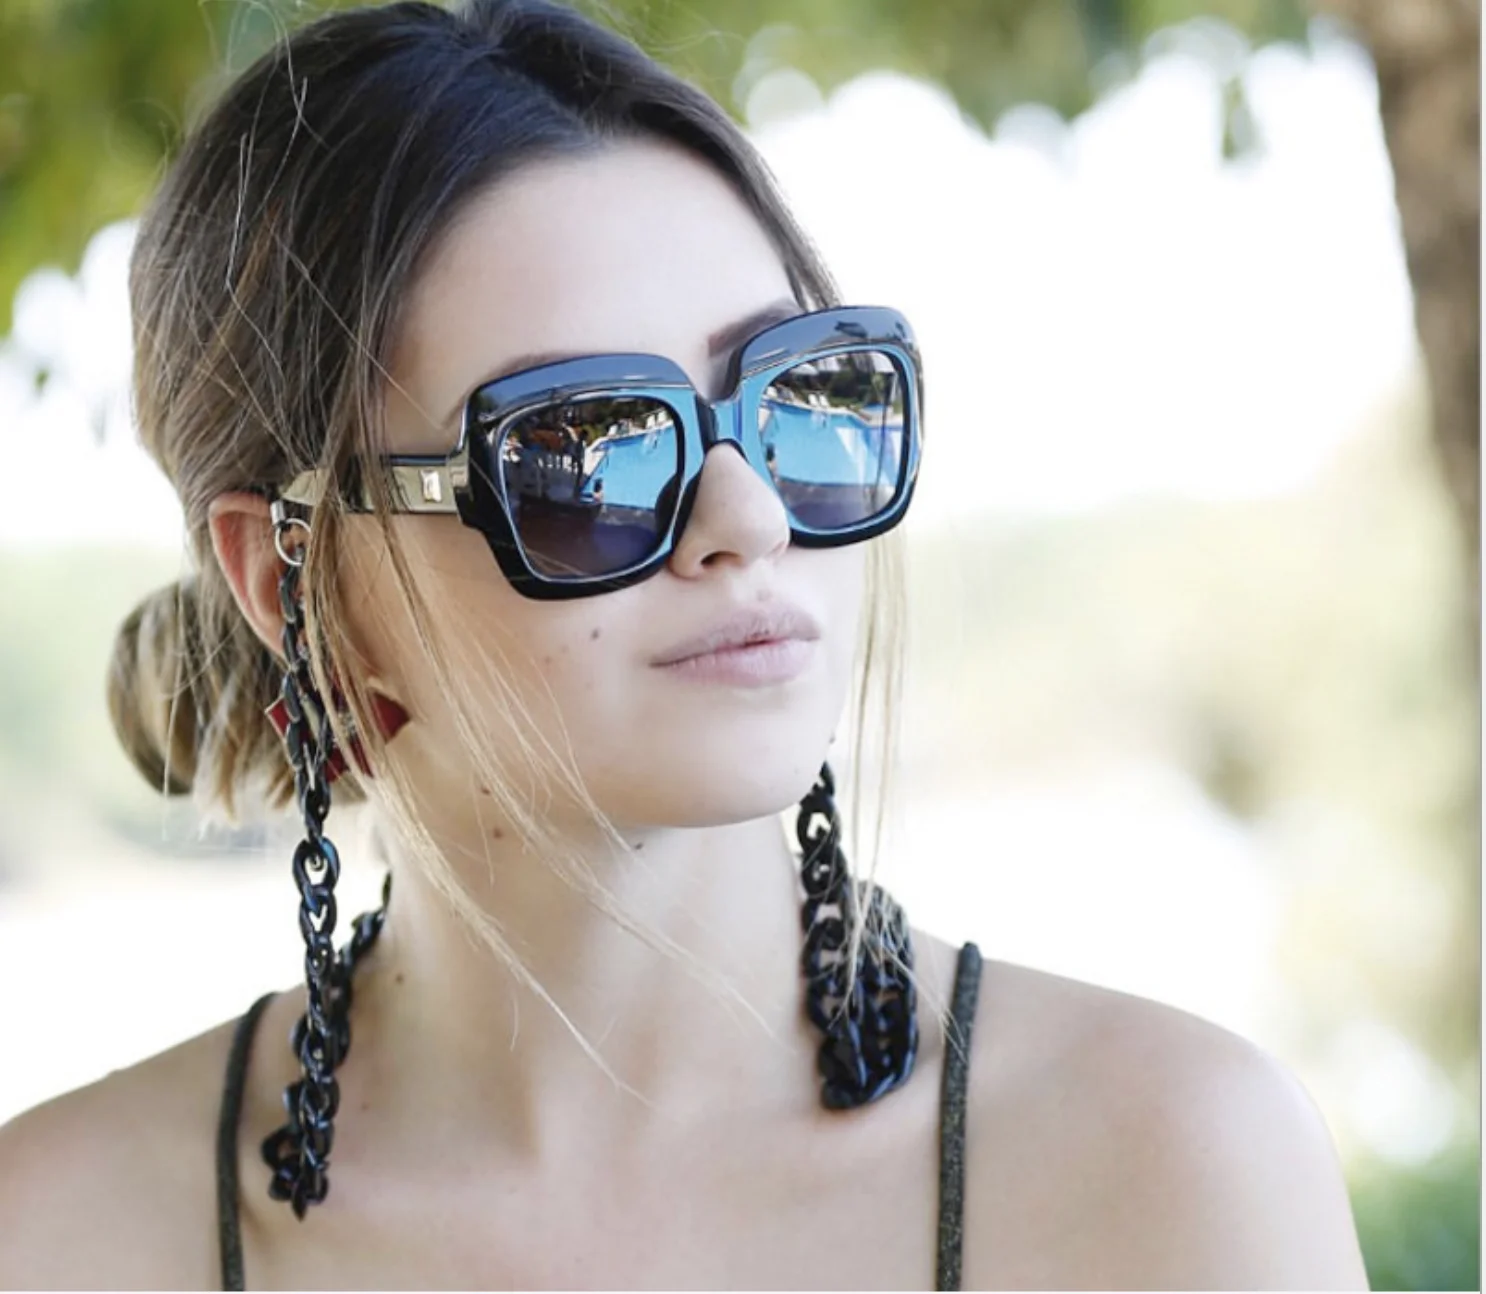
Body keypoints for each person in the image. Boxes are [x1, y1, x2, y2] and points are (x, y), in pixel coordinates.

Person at [0, 1, 1370, 1289]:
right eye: (582, 451)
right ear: (288, 575)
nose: (749, 516)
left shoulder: (1169, 1169)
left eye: (800, 398)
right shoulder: (59, 1237)